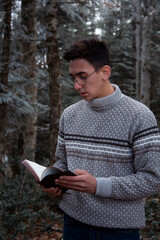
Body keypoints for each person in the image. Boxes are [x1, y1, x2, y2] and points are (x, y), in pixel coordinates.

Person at [43, 38, 160, 240]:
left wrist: (98, 186)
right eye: (73, 78)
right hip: (73, 223)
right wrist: (55, 180)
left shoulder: (139, 116)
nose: (76, 85)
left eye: (83, 76)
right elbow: (63, 161)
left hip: (119, 229)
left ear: (105, 72)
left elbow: (152, 179)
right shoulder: (69, 115)